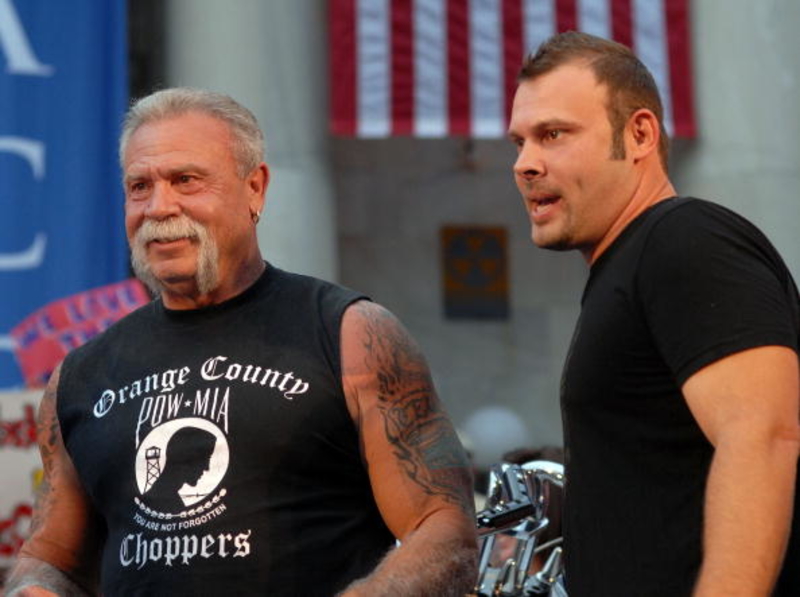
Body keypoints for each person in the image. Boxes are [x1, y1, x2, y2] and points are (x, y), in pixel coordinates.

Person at [5, 88, 478, 596]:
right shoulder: (79, 378)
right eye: (139, 186)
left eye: (186, 180)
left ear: (255, 188)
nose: (159, 207)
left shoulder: (351, 334)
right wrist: (32, 590)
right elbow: (48, 558)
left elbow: (444, 529)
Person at [507, 31, 800, 596]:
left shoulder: (684, 239)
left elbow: (761, 435)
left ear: (639, 134)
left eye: (553, 135)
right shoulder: (633, 263)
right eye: (519, 142)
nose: (524, 164)